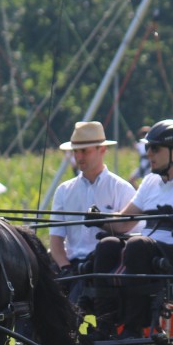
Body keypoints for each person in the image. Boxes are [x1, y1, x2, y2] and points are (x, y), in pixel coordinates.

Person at [90, 119, 173, 338]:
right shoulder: (150, 182)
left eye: (155, 148)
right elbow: (124, 221)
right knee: (107, 245)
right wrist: (99, 218)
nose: (148, 153)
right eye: (147, 147)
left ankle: (134, 328)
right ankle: (106, 324)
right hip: (146, 250)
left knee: (137, 244)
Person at [49, 121, 136, 308]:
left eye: (84, 151)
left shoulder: (121, 189)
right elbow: (55, 240)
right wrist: (65, 268)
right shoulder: (64, 191)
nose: (79, 157)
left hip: (107, 267)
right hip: (72, 267)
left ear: (101, 149)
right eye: (75, 151)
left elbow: (132, 237)